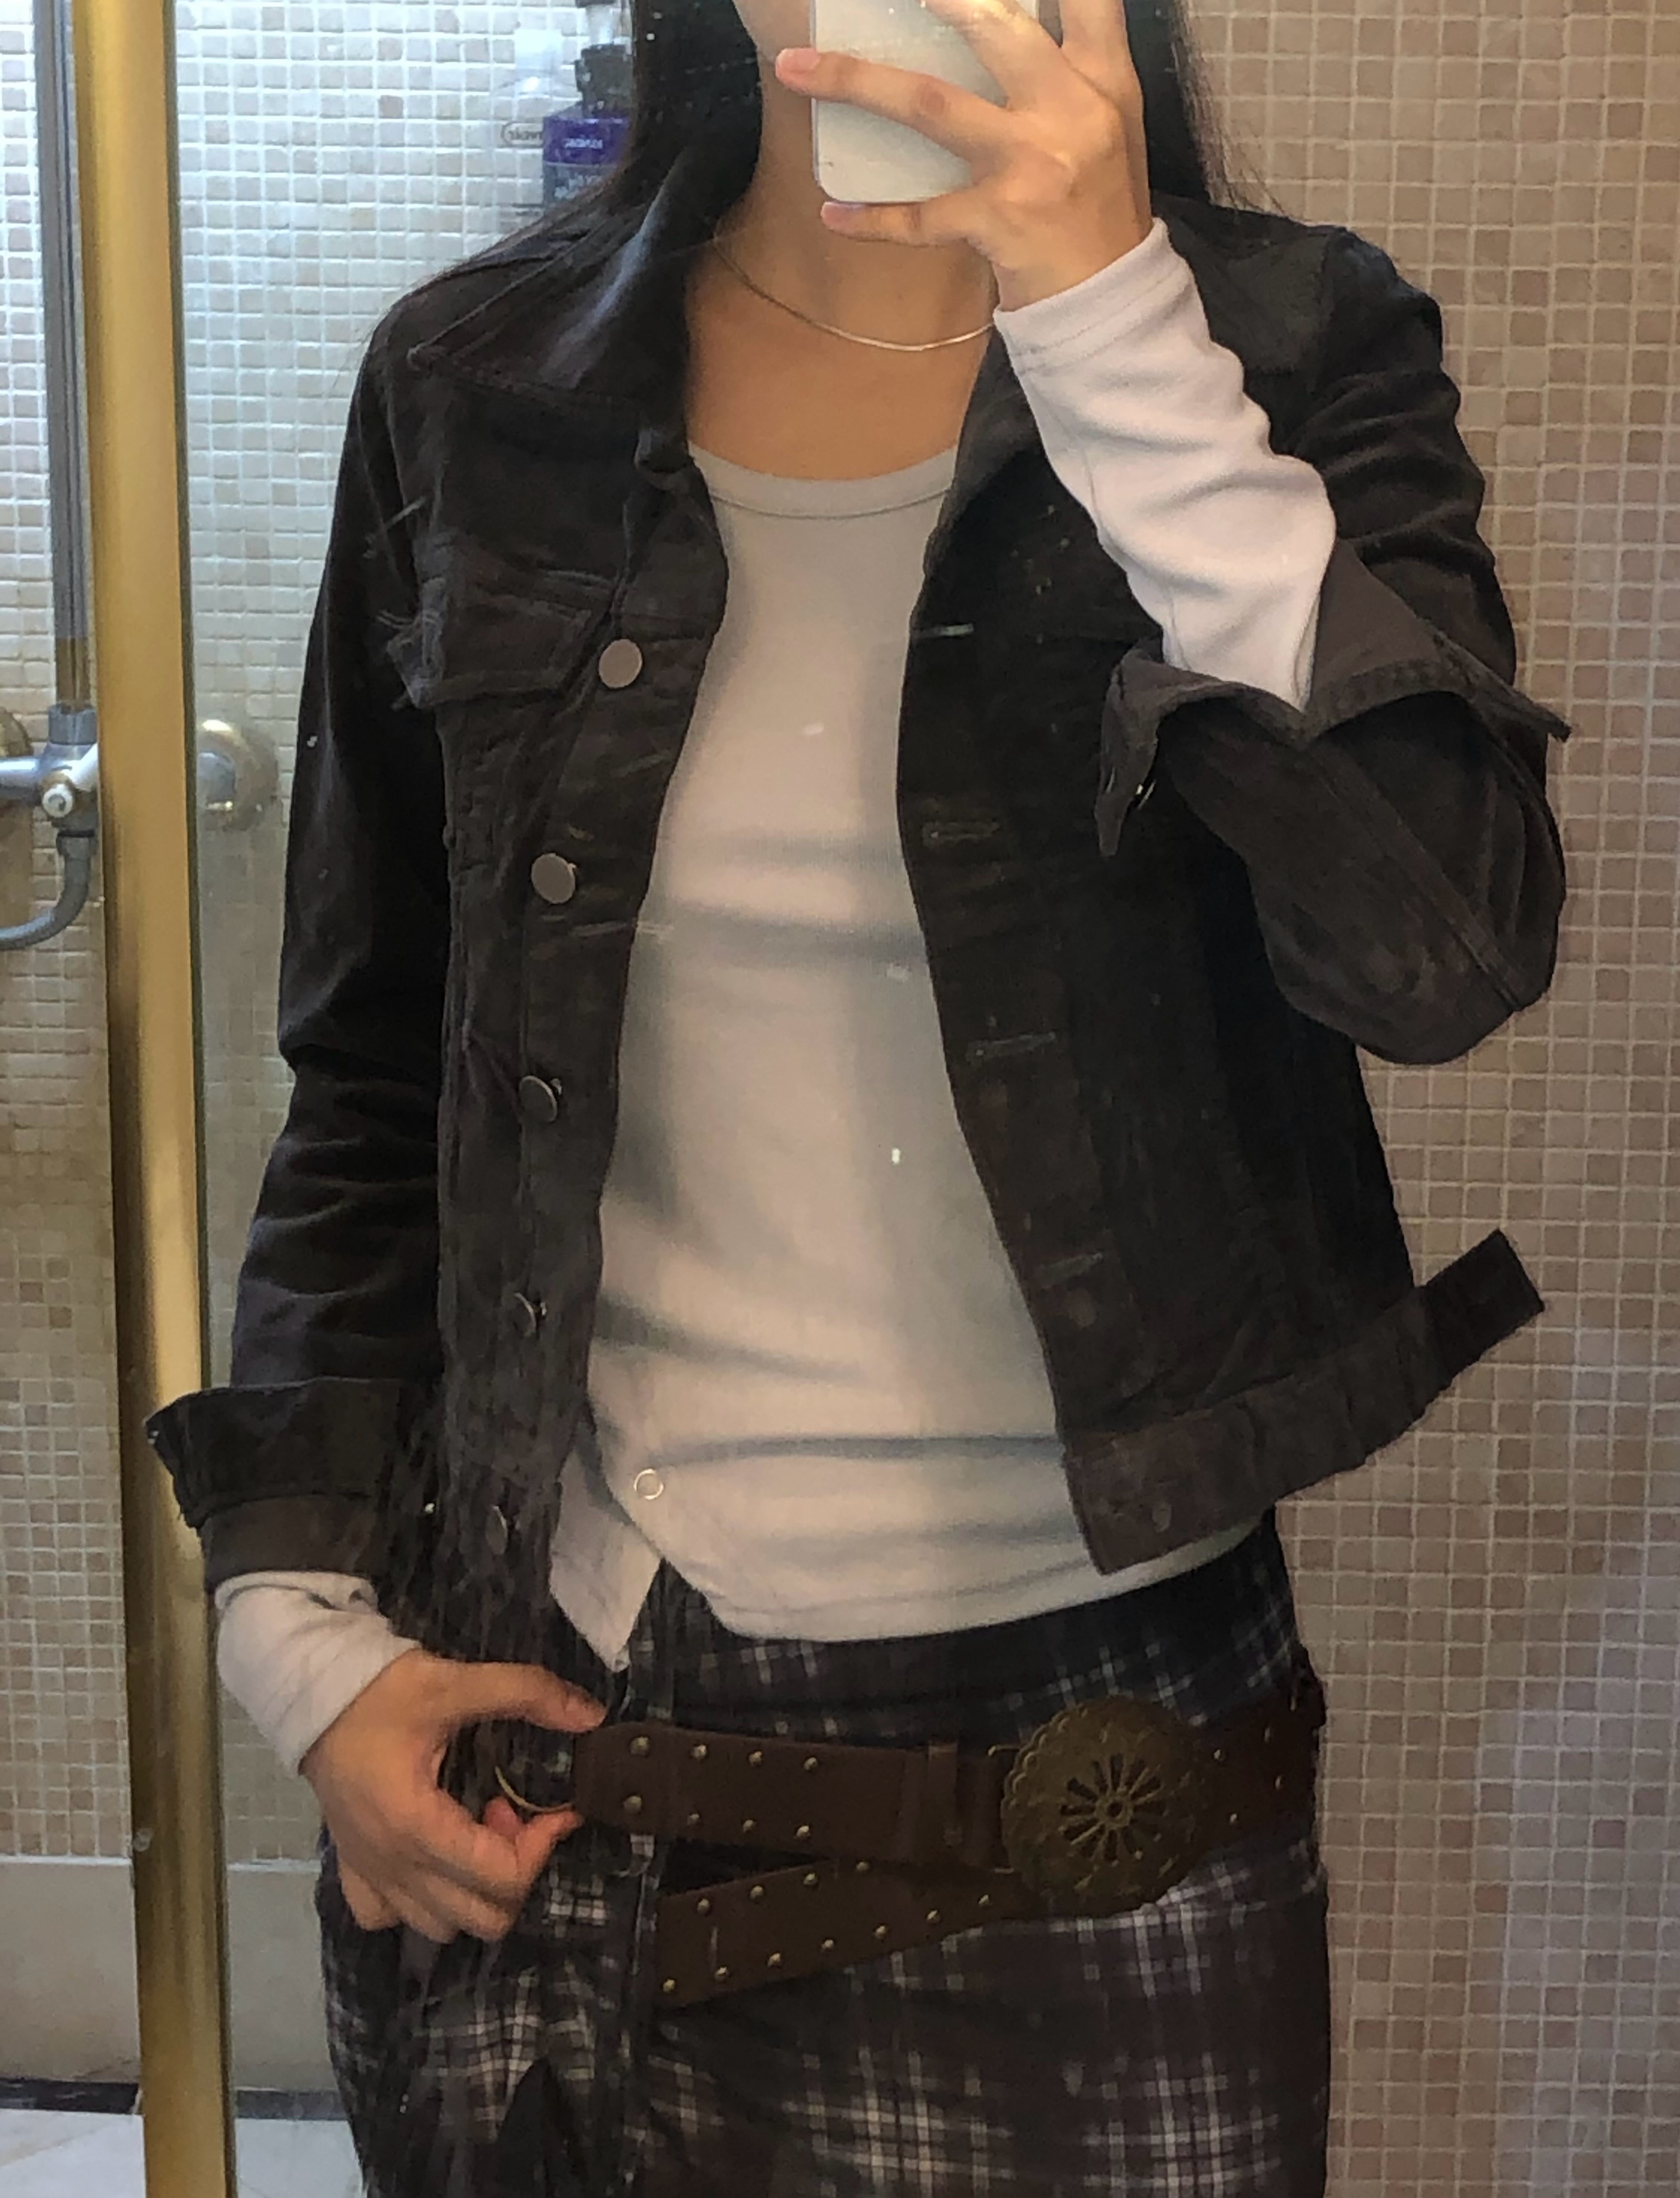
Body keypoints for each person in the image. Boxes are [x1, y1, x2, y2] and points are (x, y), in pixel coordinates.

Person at [147, 0, 1572, 2191]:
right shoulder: (477, 382)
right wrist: (294, 1634)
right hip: (558, 1738)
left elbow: (1442, 954)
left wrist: (1109, 322)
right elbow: (372, 1068)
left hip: (1104, 1785)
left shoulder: (1288, 344)